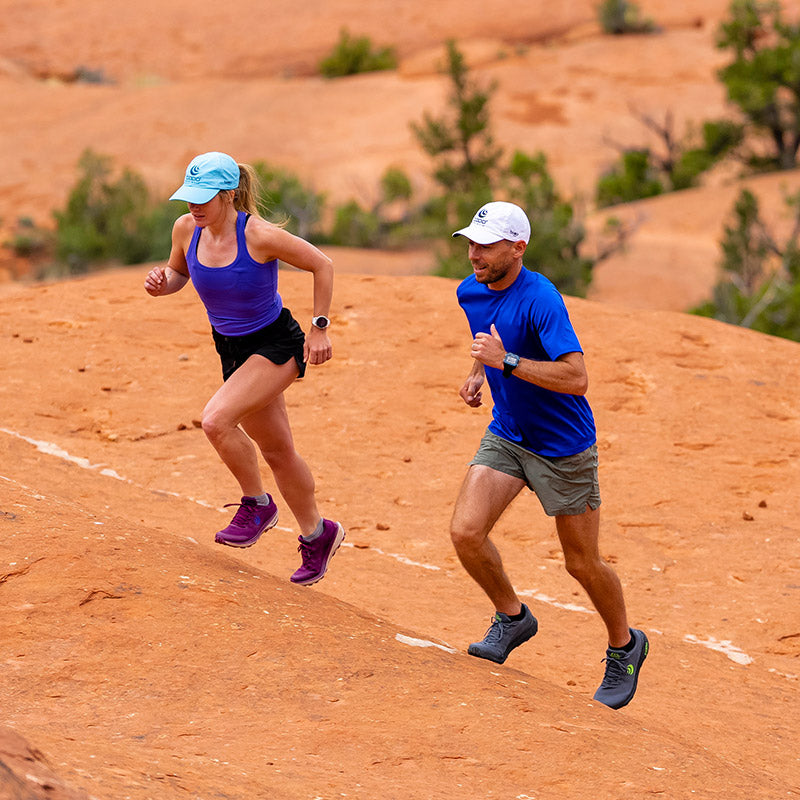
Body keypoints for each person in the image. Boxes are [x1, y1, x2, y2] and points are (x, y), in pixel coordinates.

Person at [450, 201, 647, 709]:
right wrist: (478, 376)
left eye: (487, 246)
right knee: (466, 533)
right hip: (509, 433)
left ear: (518, 248)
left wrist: (507, 363)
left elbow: (577, 378)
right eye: (471, 243)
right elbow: (487, 345)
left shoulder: (542, 299)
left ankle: (625, 646)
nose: (475, 254)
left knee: (581, 564)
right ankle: (513, 618)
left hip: (564, 449)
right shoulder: (469, 290)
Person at [144, 151, 345, 586]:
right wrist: (164, 285)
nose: (194, 207)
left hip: (275, 345)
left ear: (228, 194)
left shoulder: (258, 235)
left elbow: (322, 265)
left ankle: (257, 504)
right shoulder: (186, 229)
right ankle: (318, 534)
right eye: (189, 198)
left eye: (203, 198)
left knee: (216, 420)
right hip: (232, 350)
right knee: (277, 451)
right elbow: (179, 274)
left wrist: (320, 328)